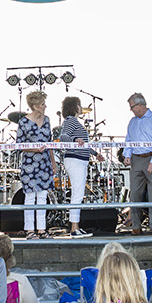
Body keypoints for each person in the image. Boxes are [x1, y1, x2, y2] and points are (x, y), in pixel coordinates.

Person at [122, 94, 152, 234]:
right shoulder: (132, 122)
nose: (131, 110)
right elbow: (128, 140)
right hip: (136, 160)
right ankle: (135, 226)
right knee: (135, 194)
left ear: (140, 105)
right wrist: (127, 155)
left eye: (132, 107)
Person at [16, 90, 54, 238]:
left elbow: (49, 142)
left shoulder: (47, 120)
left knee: (43, 196)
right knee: (30, 197)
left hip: (44, 163)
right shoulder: (24, 122)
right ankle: (30, 230)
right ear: (36, 106)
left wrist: (53, 162)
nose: (45, 106)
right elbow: (19, 145)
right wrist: (34, 148)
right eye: (43, 104)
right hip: (30, 163)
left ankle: (42, 229)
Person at [57, 96, 96, 237]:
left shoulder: (75, 122)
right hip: (75, 160)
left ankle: (75, 226)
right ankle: (74, 227)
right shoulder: (70, 121)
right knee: (77, 193)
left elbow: (83, 143)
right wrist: (74, 139)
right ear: (75, 107)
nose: (81, 107)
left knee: (78, 193)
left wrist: (95, 153)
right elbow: (63, 137)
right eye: (79, 105)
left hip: (81, 159)